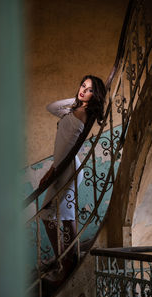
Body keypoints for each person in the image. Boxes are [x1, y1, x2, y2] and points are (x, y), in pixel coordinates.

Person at [39, 75, 106, 281]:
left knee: (47, 215)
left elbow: (67, 148)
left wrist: (53, 171)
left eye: (90, 89)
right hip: (64, 167)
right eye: (82, 85)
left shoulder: (85, 114)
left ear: (96, 96)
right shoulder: (76, 108)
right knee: (64, 217)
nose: (83, 90)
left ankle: (66, 259)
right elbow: (52, 107)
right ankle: (69, 258)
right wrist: (78, 99)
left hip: (66, 170)